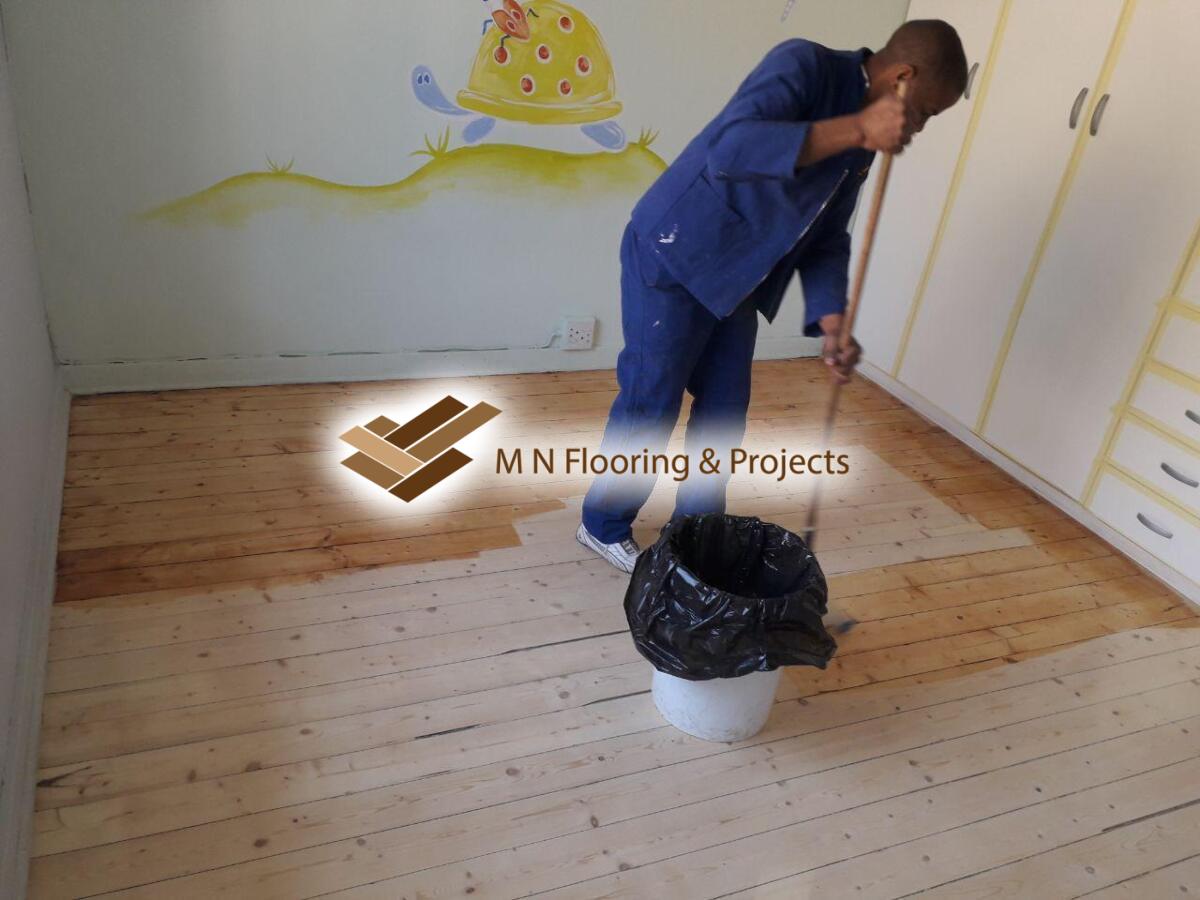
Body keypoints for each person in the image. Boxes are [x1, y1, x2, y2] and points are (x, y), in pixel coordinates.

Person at [575, 20, 968, 573]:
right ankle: (602, 524)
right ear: (902, 76)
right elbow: (732, 149)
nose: (919, 127)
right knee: (652, 401)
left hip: (738, 274)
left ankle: (696, 533)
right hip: (676, 248)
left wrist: (831, 319)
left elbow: (826, 235)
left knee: (724, 411)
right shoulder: (805, 65)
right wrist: (858, 128)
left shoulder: (864, 143)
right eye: (924, 111)